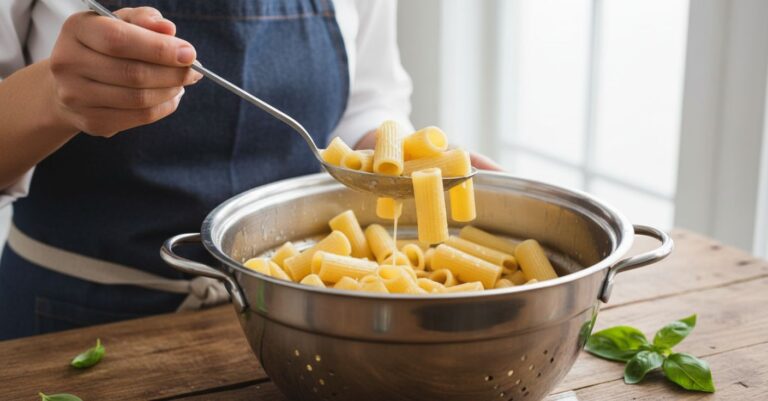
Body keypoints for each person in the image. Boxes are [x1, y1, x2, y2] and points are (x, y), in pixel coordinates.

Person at [0, 0, 501, 340]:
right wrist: (50, 97)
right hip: (65, 320)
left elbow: (365, 106)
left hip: (289, 324)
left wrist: (403, 162)